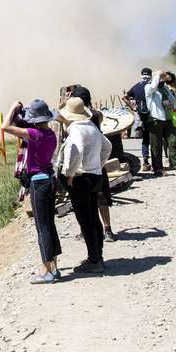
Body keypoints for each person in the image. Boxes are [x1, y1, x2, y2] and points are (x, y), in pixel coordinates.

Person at [3, 99, 61, 283]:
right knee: (49, 225)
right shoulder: (51, 133)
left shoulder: (34, 134)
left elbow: (5, 127)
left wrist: (12, 107)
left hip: (39, 183)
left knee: (41, 227)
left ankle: (46, 271)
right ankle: (55, 267)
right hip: (50, 180)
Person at [56, 96, 111, 273]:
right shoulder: (92, 127)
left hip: (81, 178)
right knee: (93, 217)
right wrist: (99, 165)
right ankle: (98, 256)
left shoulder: (76, 130)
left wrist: (69, 174)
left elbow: (76, 150)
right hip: (95, 176)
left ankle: (93, 260)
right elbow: (107, 147)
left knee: (84, 219)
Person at [67, 84, 117, 242]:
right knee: (102, 198)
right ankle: (107, 230)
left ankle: (87, 232)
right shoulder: (97, 114)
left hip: (82, 166)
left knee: (85, 203)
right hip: (97, 162)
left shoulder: (74, 117)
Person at [144, 71, 176, 177]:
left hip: (169, 119)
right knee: (156, 145)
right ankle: (158, 169)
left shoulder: (166, 89)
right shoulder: (149, 87)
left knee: (173, 142)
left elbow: (173, 102)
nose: (163, 79)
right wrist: (158, 75)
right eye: (161, 77)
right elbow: (154, 86)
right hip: (155, 119)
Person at [125, 68, 153, 172]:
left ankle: (146, 162)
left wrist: (133, 108)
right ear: (150, 75)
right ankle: (156, 164)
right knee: (155, 140)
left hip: (142, 116)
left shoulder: (137, 86)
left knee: (145, 140)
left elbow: (124, 97)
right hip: (153, 116)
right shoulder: (153, 86)